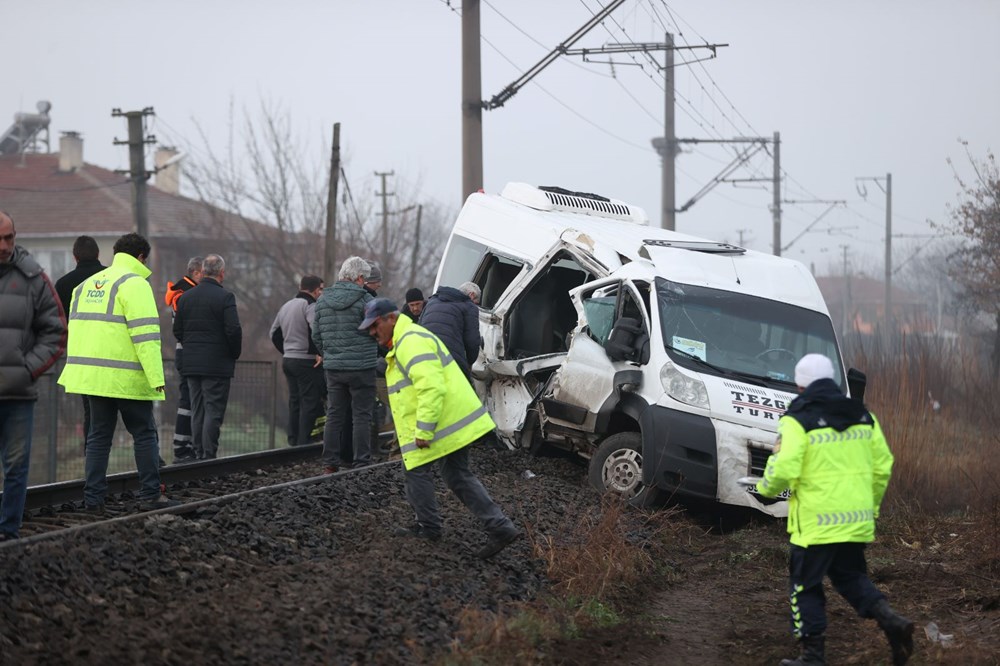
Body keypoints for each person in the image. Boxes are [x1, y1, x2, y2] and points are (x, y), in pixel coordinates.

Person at [756, 354, 914, 666]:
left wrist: (764, 489)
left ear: (800, 385)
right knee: (851, 578)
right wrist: (869, 508)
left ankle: (813, 656)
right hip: (854, 521)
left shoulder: (797, 418)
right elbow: (883, 466)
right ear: (832, 380)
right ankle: (893, 623)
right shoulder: (863, 415)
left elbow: (785, 467)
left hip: (815, 525)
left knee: (805, 586)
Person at [360, 298, 519, 560]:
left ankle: (429, 527)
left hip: (441, 423)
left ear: (391, 318)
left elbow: (431, 387)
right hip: (449, 420)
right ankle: (500, 527)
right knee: (456, 475)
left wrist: (423, 429)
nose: (372, 332)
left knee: (415, 469)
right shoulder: (407, 339)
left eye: (375, 325)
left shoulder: (410, 341)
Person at [57, 232, 178, 512]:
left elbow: (76, 332)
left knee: (98, 438)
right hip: (126, 379)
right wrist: (156, 378)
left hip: (94, 379)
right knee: (145, 433)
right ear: (141, 257)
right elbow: (146, 336)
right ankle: (150, 494)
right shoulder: (135, 284)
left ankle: (93, 500)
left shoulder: (85, 286)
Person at [0, 211, 65, 540]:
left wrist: (27, 370)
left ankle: (8, 533)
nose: (4, 245)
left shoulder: (34, 278)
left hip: (18, 394)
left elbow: (55, 332)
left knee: (15, 467)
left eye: (9, 237)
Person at [173, 254, 242, 460]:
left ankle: (198, 452)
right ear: (222, 273)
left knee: (197, 409)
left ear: (202, 272)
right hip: (217, 364)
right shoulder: (226, 297)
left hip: (191, 364)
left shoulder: (185, 297)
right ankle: (208, 455)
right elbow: (233, 330)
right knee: (213, 410)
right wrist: (233, 353)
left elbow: (178, 331)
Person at [312, 256, 376, 472]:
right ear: (358, 278)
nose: (365, 283)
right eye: (364, 279)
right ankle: (361, 462)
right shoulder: (366, 301)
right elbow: (377, 332)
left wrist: (328, 354)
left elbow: (316, 335)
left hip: (334, 368)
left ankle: (330, 462)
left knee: (334, 414)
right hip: (362, 367)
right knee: (362, 416)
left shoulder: (322, 300)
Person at [53, 235, 105, 451]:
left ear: (75, 257)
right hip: (112, 351)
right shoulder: (111, 277)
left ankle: (91, 458)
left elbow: (58, 322)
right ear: (98, 254)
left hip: (81, 356)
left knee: (90, 409)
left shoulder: (63, 284)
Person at [270, 275, 325, 447]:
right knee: (310, 401)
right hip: (306, 361)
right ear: (316, 290)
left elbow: (273, 333)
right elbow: (316, 330)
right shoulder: (310, 305)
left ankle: (293, 440)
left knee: (294, 401)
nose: (321, 293)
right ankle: (304, 442)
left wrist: (287, 350)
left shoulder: (286, 305)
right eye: (321, 289)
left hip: (289, 360)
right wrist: (319, 352)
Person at [164, 256, 204, 462]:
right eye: (204, 274)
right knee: (189, 400)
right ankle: (182, 446)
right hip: (189, 351)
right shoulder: (186, 294)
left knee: (188, 400)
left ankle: (183, 444)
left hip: (184, 350)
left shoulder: (179, 292)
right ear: (196, 273)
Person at [418, 281, 482, 380]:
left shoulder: (433, 300)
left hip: (423, 355)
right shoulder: (469, 306)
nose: (475, 305)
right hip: (449, 359)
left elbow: (419, 327)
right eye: (476, 303)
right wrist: (469, 363)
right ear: (472, 295)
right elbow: (472, 341)